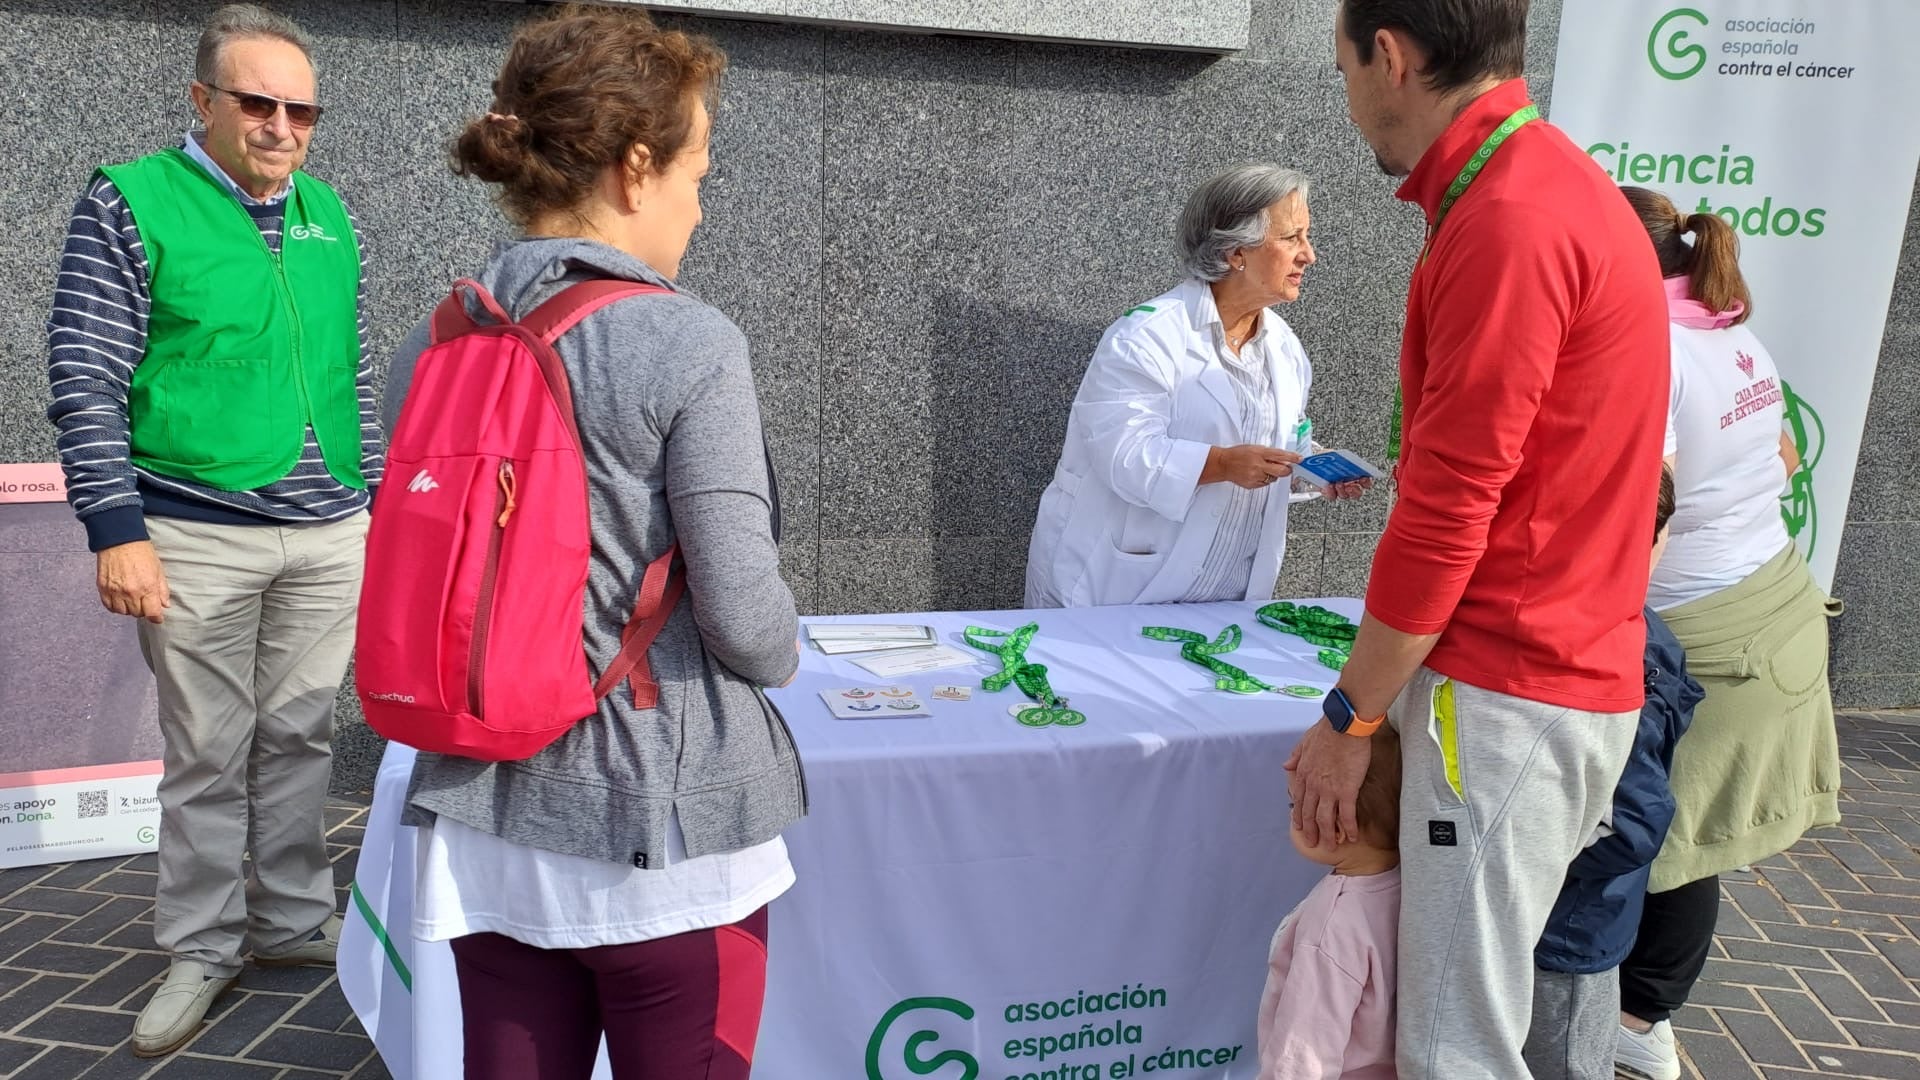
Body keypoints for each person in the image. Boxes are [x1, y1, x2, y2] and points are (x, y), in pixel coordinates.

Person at [381, 9, 803, 1078]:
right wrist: (791, 652)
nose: (700, 210)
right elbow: (748, 624)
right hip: (661, 826)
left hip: (486, 811)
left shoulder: (437, 340)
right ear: (635, 167)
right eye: (698, 176)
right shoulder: (687, 339)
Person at [1289, 2, 1669, 1076]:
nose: (1350, 98)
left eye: (1346, 68)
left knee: (1456, 1046)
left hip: (1509, 686)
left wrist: (1350, 714)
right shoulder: (1549, 189)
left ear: (1393, 58)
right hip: (1552, 674)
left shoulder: (1512, 215)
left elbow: (1451, 508)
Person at [43, 4, 380, 1057]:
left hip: (328, 529)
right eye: (258, 102)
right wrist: (114, 527)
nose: (282, 125)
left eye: (302, 108)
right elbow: (85, 373)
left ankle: (286, 920)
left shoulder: (327, 210)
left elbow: (352, 366)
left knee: (299, 735)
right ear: (203, 101)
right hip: (195, 529)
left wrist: (369, 491)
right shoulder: (131, 200)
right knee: (206, 752)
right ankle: (199, 943)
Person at [1611, 187, 1842, 1080]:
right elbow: (1783, 457)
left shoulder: (1651, 347)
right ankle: (1640, 1017)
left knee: (1664, 841)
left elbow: (1649, 511)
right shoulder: (1725, 328)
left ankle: (1635, 1026)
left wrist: (1599, 623)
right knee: (1678, 836)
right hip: (1771, 598)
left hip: (1706, 633)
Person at [1023, 164, 1368, 609]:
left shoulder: (1283, 346)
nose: (1309, 255)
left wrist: (1314, 468)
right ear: (1235, 253)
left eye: (1306, 236)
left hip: (1225, 599)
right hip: (1115, 589)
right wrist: (1222, 464)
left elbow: (1286, 435)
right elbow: (1123, 455)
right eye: (1291, 237)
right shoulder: (1145, 337)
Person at [1525, 465, 1703, 1080]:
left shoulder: (1622, 655)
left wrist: (1526, 855)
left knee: (1567, 1059)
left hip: (1568, 933)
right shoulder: (1640, 632)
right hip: (1574, 920)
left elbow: (1635, 820)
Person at [1257, 725, 1401, 1079]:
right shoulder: (1407, 887)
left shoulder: (1330, 923)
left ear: (1334, 828)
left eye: (1296, 803)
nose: (1290, 814)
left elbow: (1303, 1054)